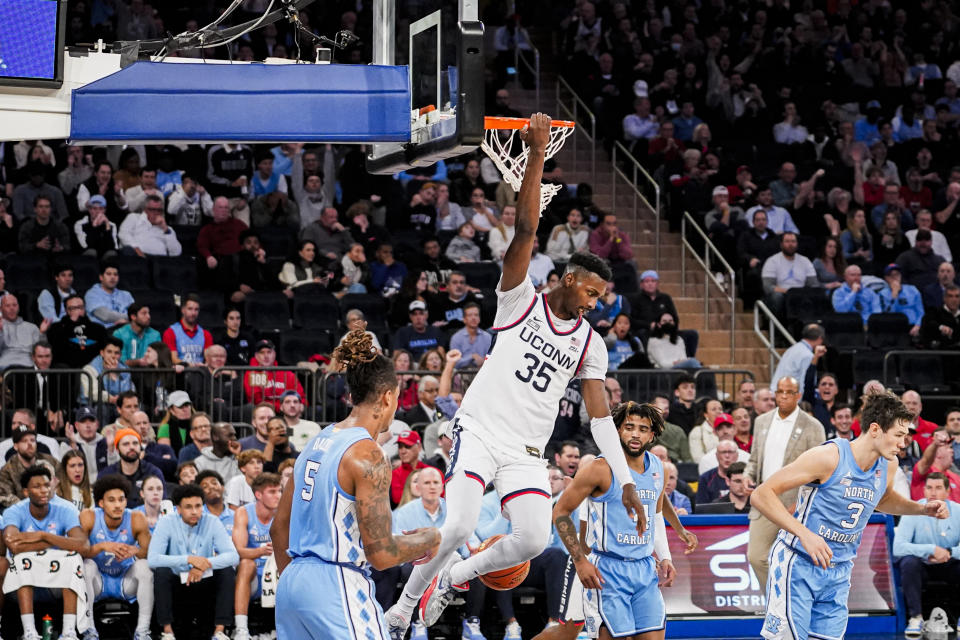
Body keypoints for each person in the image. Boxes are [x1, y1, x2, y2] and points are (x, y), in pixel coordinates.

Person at [385, 115, 643, 635]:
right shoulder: (520, 300)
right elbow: (525, 230)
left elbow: (599, 420)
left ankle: (454, 577)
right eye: (591, 293)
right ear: (569, 280)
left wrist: (629, 479)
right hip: (479, 429)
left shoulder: (591, 344)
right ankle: (407, 604)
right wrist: (538, 155)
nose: (595, 305)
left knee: (530, 538)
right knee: (456, 522)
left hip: (526, 450)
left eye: (601, 299)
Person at [270, 330, 441, 639]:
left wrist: (300, 590)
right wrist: (430, 537)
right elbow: (382, 553)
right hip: (336, 582)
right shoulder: (368, 454)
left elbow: (278, 528)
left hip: (292, 583)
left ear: (351, 395)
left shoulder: (315, 442)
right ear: (389, 396)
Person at [752, 393, 949, 640]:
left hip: (839, 569)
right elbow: (761, 494)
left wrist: (921, 508)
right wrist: (804, 534)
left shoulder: (888, 465)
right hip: (798, 562)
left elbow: (883, 499)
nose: (904, 443)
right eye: (899, 435)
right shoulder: (828, 457)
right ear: (875, 429)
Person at [550, 402, 674, 639]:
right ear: (618, 430)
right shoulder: (599, 468)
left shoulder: (659, 467)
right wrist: (580, 561)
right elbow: (561, 512)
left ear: (652, 435)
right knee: (567, 632)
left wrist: (665, 556)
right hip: (607, 569)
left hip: (645, 569)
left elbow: (655, 516)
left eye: (643, 428)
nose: (635, 433)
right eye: (629, 427)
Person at [746, 376, 826, 589]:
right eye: (780, 391)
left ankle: (792, 606)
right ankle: (775, 603)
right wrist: (747, 475)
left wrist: (801, 503)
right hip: (765, 500)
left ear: (798, 395)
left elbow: (820, 471)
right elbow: (754, 460)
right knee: (756, 556)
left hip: (797, 505)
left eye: (789, 392)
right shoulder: (761, 421)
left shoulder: (813, 426)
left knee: (799, 562)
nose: (783, 396)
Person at [3, 465, 89, 640]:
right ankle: (30, 632)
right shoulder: (14, 511)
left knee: (74, 560)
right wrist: (58, 544)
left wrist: (44, 536)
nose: (44, 490)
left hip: (57, 582)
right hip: (23, 580)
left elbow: (83, 546)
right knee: (21, 560)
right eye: (37, 486)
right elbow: (13, 545)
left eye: (47, 485)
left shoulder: (66, 510)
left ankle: (69, 632)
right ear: (26, 492)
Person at [148, 484, 239, 640]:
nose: (195, 511)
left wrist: (204, 564)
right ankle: (167, 632)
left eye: (198, 506)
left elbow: (233, 556)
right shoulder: (166, 522)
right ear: (178, 509)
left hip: (204, 581)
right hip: (178, 583)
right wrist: (188, 560)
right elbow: (153, 559)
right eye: (188, 507)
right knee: (161, 571)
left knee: (227, 571)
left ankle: (219, 632)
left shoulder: (212, 521)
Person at [79, 474, 153, 640]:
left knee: (145, 567)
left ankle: (142, 631)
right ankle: (90, 630)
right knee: (86, 566)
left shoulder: (136, 518)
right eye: (111, 500)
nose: (118, 505)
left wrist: (136, 551)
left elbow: (151, 553)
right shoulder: (88, 516)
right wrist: (102, 546)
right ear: (101, 503)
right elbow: (79, 550)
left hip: (125, 581)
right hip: (98, 581)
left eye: (121, 499)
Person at [893, 472, 960, 636]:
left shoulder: (958, 511)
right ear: (924, 490)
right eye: (929, 488)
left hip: (950, 563)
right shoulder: (914, 509)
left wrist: (949, 552)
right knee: (908, 562)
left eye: (938, 488)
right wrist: (931, 549)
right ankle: (916, 618)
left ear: (947, 492)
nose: (933, 493)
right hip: (923, 565)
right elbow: (898, 547)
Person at [231, 473, 282, 640]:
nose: (278, 496)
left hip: (278, 574)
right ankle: (241, 630)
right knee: (246, 563)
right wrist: (261, 551)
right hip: (253, 578)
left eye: (279, 491)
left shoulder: (284, 513)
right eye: (272, 492)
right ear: (259, 495)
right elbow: (238, 551)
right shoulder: (243, 512)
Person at [98, 429, 164, 508]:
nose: (132, 447)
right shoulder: (106, 475)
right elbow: (99, 506)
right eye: (126, 444)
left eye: (135, 443)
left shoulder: (153, 472)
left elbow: (162, 503)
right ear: (117, 449)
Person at [0, 424, 59, 508]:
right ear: (16, 446)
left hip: (51, 506)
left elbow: (63, 480)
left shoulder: (49, 460)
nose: (29, 444)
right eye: (24, 441)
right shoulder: (7, 470)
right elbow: (4, 495)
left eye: (32, 440)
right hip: (22, 512)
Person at [770, 324, 825, 397]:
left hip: (777, 393)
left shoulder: (791, 349)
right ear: (820, 338)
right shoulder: (808, 355)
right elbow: (805, 382)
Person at [162, 294, 213, 366]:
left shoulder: (206, 334)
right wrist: (191, 366)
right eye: (190, 309)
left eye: (196, 309)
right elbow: (173, 359)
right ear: (183, 310)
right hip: (180, 374)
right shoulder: (170, 332)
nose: (193, 313)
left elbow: (209, 359)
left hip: (201, 374)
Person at [878, 264, 924, 337]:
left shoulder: (913, 290)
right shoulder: (882, 294)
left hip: (912, 326)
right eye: (891, 276)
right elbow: (887, 315)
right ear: (886, 278)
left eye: (897, 275)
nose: (895, 278)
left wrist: (918, 325)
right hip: (893, 327)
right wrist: (894, 295)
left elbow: (920, 312)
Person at [84, 262, 134, 329]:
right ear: (101, 277)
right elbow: (106, 316)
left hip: (127, 330)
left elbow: (137, 313)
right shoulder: (92, 294)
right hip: (104, 332)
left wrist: (129, 320)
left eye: (115, 274)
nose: (113, 277)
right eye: (109, 274)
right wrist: (132, 317)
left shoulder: (126, 295)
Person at [114, 302, 162, 368]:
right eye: (144, 313)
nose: (148, 317)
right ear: (133, 317)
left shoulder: (155, 335)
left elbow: (159, 359)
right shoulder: (119, 334)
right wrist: (138, 362)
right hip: (126, 374)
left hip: (149, 374)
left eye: (148, 313)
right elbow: (120, 362)